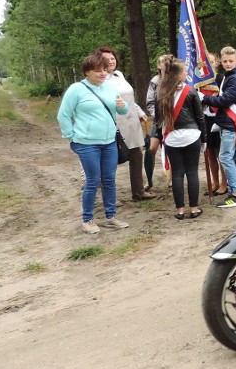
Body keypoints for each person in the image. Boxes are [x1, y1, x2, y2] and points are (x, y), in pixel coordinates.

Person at [57, 51, 130, 234]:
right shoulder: (76, 89)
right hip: (87, 143)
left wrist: (123, 107)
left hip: (109, 142)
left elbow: (122, 110)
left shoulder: (110, 88)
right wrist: (71, 136)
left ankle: (110, 217)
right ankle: (87, 220)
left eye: (104, 70)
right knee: (93, 180)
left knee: (109, 179)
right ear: (87, 71)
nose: (103, 73)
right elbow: (63, 115)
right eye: (98, 70)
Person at [97, 46, 153, 202]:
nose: (111, 61)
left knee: (136, 156)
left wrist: (141, 113)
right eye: (106, 59)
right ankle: (109, 198)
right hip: (114, 124)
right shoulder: (101, 80)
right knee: (111, 160)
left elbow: (129, 99)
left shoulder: (119, 75)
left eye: (113, 58)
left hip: (132, 121)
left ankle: (138, 192)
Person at [156, 58, 206, 220]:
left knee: (177, 174)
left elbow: (158, 120)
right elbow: (200, 117)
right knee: (192, 172)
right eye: (184, 71)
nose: (186, 73)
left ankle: (180, 211)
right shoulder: (190, 91)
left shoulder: (162, 93)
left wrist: (161, 139)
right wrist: (204, 138)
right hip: (192, 136)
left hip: (172, 138)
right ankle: (194, 208)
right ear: (178, 75)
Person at [201, 47, 236, 208]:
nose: (228, 64)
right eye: (225, 61)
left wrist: (204, 98)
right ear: (221, 62)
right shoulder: (232, 76)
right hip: (228, 122)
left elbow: (224, 101)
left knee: (225, 157)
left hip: (230, 123)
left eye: (231, 61)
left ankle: (235, 193)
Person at [144, 54, 175, 193]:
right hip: (158, 121)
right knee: (151, 149)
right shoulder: (155, 81)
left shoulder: (175, 80)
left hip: (173, 121)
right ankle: (148, 180)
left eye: (167, 61)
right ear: (158, 65)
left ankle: (171, 179)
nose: (165, 64)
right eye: (162, 62)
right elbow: (150, 102)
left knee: (172, 150)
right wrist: (159, 116)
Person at [203, 52, 227, 198]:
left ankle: (225, 183)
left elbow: (223, 98)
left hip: (218, 118)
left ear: (217, 63)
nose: (209, 64)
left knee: (220, 153)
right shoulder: (201, 81)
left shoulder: (221, 79)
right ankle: (215, 182)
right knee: (210, 152)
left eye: (211, 62)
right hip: (205, 118)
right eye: (206, 62)